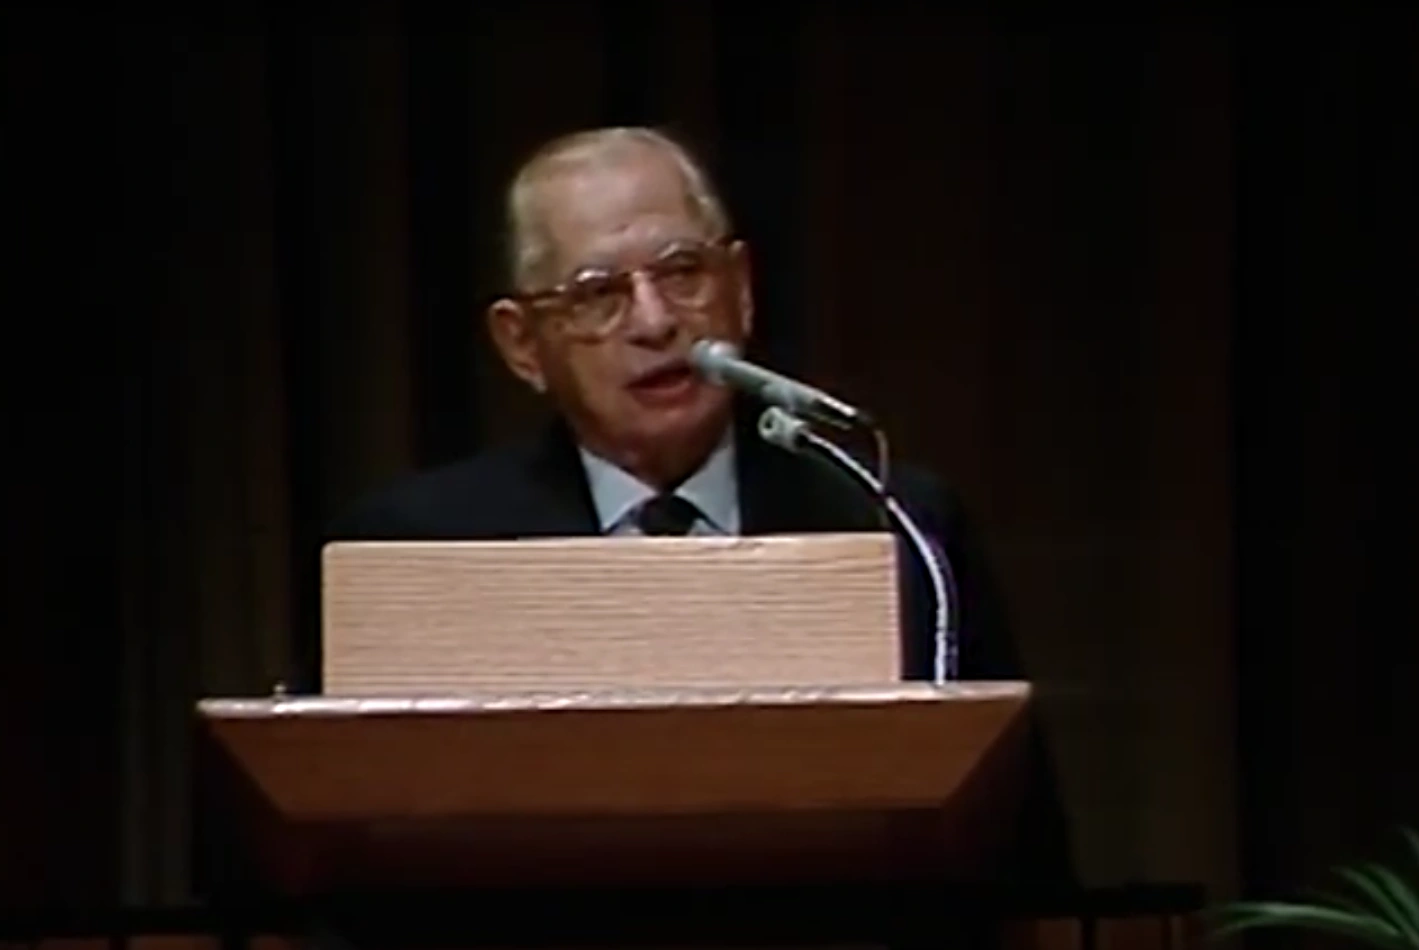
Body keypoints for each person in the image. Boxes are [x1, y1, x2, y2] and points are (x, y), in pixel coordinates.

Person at [324, 125, 1072, 886]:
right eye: (597, 295)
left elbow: (1020, 853)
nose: (654, 323)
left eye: (682, 272)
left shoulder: (890, 520)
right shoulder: (422, 550)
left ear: (739, 289)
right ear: (522, 345)